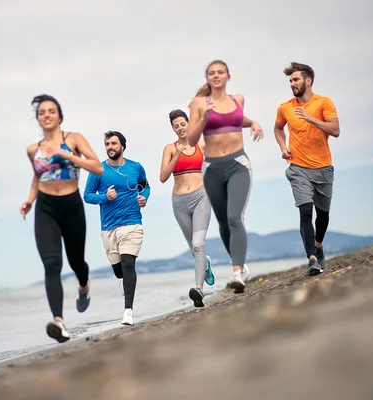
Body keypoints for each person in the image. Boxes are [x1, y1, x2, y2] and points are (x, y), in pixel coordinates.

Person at [19, 94, 104, 343]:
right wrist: (30, 199)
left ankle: (84, 284)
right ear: (38, 118)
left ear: (59, 115)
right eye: (42, 112)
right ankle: (59, 322)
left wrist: (64, 154)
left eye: (51, 111)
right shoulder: (32, 149)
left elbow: (97, 167)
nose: (46, 115)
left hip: (71, 205)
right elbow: (38, 176)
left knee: (76, 261)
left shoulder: (73, 139)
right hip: (46, 207)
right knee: (52, 263)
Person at [186, 60, 264, 294]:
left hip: (238, 164)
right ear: (207, 78)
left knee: (234, 217)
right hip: (212, 168)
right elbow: (191, 139)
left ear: (228, 76)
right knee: (222, 222)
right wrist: (203, 118)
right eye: (212, 73)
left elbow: (237, 120)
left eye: (220, 72)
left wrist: (254, 122)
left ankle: (237, 272)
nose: (216, 76)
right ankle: (238, 262)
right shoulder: (199, 103)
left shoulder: (237, 99)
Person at [274, 62, 340, 276]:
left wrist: (312, 119)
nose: (292, 84)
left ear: (308, 80)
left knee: (323, 215)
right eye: (290, 81)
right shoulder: (285, 107)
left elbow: (336, 130)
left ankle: (318, 246)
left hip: (323, 168)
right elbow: (278, 128)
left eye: (295, 79)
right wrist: (283, 147)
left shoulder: (324, 102)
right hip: (298, 167)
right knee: (305, 211)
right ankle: (312, 259)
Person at [83, 131, 150, 326]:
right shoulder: (98, 170)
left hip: (132, 223)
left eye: (113, 143)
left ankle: (128, 311)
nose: (110, 147)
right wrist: (105, 197)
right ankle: (126, 286)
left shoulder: (135, 167)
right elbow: (87, 195)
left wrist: (144, 196)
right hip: (109, 227)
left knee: (129, 264)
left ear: (122, 146)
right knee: (120, 271)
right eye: (107, 144)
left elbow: (145, 186)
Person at [159, 109, 216, 308]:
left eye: (183, 124)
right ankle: (205, 264)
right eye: (176, 126)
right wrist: (176, 156)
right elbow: (163, 177)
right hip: (179, 202)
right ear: (173, 129)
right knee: (194, 247)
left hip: (201, 196)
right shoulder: (169, 148)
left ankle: (198, 289)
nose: (180, 128)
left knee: (198, 244)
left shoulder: (200, 143)